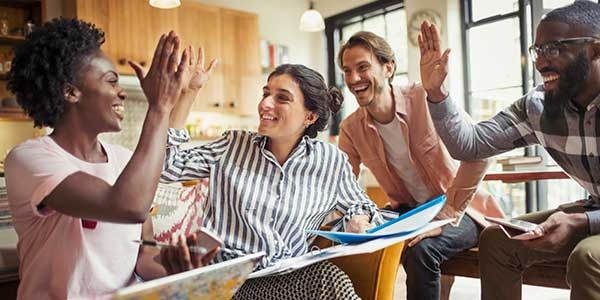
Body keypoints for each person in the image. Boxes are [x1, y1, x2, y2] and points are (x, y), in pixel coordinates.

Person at [4, 18, 217, 299]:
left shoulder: (124, 160)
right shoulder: (30, 158)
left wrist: (175, 267)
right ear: (71, 92)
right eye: (111, 81)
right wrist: (160, 105)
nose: (121, 93)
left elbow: (144, 253)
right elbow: (128, 206)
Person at [419, 1, 600, 299]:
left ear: (595, 49)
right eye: (537, 50)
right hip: (592, 209)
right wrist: (436, 93)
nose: (541, 62)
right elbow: (470, 145)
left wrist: (582, 221)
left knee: (588, 257)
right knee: (498, 239)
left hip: (590, 218)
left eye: (554, 48)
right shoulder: (538, 107)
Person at [161, 63, 384, 299]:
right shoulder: (233, 145)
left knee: (327, 276)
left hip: (286, 280)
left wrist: (359, 219)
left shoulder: (330, 161)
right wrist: (189, 93)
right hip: (227, 282)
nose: (265, 104)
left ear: (310, 116)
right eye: (266, 94)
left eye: (282, 98)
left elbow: (363, 206)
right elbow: (167, 167)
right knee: (327, 277)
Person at [336, 30, 504, 300]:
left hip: (461, 212)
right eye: (347, 70)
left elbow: (481, 152)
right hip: (409, 212)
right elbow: (341, 186)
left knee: (421, 250)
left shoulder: (425, 99)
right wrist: (355, 216)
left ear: (388, 67)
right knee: (350, 239)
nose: (353, 78)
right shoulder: (351, 128)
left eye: (363, 67)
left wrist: (445, 214)